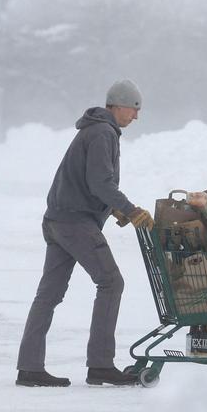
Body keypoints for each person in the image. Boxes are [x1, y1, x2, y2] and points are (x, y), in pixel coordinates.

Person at [16, 79, 155, 387]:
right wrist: (131, 211)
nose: (136, 117)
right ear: (118, 106)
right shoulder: (103, 133)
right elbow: (101, 183)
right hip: (75, 223)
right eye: (134, 110)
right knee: (111, 282)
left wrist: (111, 209)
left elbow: (88, 183)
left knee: (48, 294)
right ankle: (101, 365)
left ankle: (29, 367)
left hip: (57, 219)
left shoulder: (92, 130)